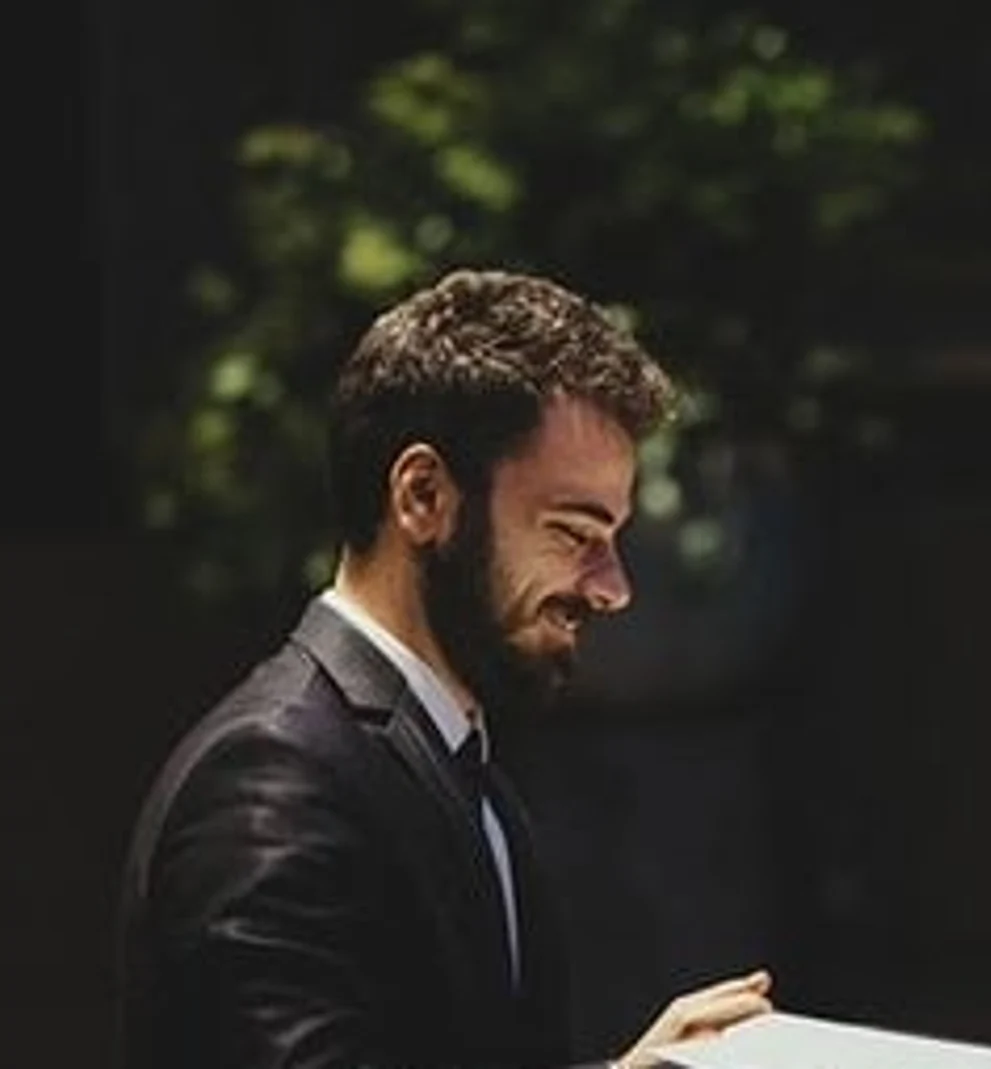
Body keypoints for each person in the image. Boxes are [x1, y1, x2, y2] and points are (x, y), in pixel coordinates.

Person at [116, 269, 774, 1069]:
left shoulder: (455, 759)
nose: (614, 588)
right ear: (424, 495)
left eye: (614, 539)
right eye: (573, 533)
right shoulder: (273, 777)